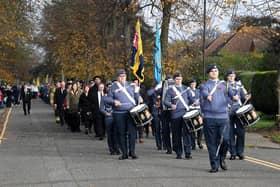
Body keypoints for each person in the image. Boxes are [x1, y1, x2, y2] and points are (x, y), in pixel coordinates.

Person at [200, 64, 238, 173]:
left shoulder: (224, 84)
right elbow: (204, 93)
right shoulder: (204, 85)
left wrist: (235, 97)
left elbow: (232, 94)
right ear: (208, 73)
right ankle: (214, 164)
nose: (214, 72)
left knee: (225, 140)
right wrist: (207, 96)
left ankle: (222, 158)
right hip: (209, 117)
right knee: (211, 142)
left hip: (223, 117)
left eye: (216, 71)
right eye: (212, 71)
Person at [105, 69, 140, 160]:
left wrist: (138, 94)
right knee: (121, 133)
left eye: (124, 76)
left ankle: (132, 152)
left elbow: (136, 97)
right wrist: (113, 101)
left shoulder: (131, 85)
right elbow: (107, 99)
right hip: (119, 113)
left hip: (131, 112)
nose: (122, 78)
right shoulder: (113, 87)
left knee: (132, 133)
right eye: (120, 76)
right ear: (117, 78)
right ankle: (124, 153)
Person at [164, 72, 193, 159]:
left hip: (185, 114)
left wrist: (194, 101)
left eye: (180, 79)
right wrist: (171, 105)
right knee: (176, 134)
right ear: (174, 80)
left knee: (187, 134)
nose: (179, 81)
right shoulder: (170, 90)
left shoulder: (186, 89)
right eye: (177, 79)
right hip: (175, 114)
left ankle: (188, 152)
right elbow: (166, 101)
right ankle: (179, 152)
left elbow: (191, 99)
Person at [226, 70, 251, 160]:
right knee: (230, 133)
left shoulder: (239, 85)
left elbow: (243, 96)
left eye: (233, 75)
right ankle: (233, 153)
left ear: (235, 76)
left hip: (239, 111)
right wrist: (227, 102)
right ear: (227, 77)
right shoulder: (224, 85)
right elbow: (221, 97)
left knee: (241, 132)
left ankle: (240, 152)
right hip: (228, 111)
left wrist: (246, 97)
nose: (231, 77)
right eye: (230, 76)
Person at [100, 81, 120, 155]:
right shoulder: (104, 97)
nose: (110, 88)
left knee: (116, 133)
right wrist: (106, 113)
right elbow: (101, 108)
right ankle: (111, 149)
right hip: (108, 117)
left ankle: (117, 148)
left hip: (116, 116)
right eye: (108, 87)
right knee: (110, 134)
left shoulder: (117, 96)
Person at [188, 78, 203, 150]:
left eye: (194, 83)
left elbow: (202, 98)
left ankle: (199, 142)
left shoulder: (198, 91)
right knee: (193, 127)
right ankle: (192, 143)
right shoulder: (188, 91)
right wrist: (193, 101)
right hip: (191, 109)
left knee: (201, 126)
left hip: (198, 109)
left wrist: (200, 101)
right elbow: (188, 99)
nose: (193, 85)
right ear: (190, 85)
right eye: (192, 84)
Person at [147, 81, 162, 150]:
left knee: (165, 128)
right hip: (155, 110)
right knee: (157, 128)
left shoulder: (164, 89)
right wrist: (156, 88)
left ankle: (165, 144)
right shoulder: (154, 89)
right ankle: (159, 144)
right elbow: (149, 93)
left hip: (163, 110)